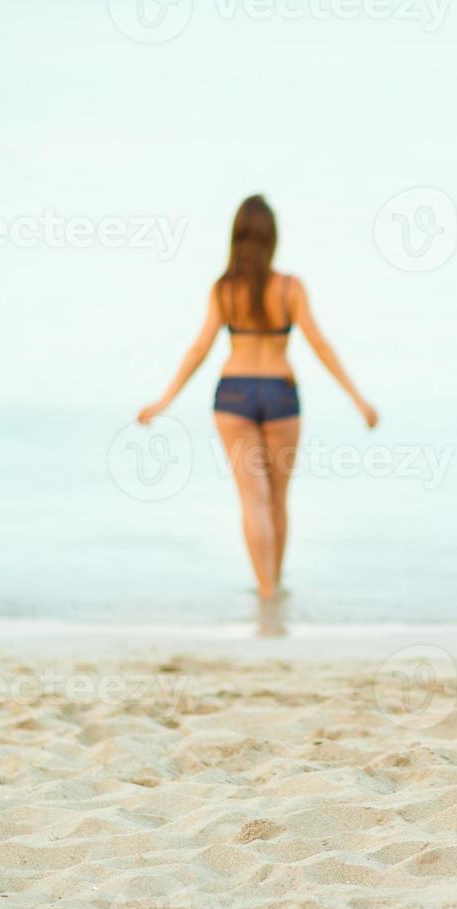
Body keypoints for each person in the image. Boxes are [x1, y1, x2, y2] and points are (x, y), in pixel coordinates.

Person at [137, 195, 378, 603]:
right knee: (278, 500)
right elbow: (320, 344)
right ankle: (275, 586)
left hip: (234, 395)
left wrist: (164, 401)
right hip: (281, 394)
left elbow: (199, 348)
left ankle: (266, 589)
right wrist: (358, 399)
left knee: (253, 499)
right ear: (273, 238)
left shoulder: (224, 289)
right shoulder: (290, 288)